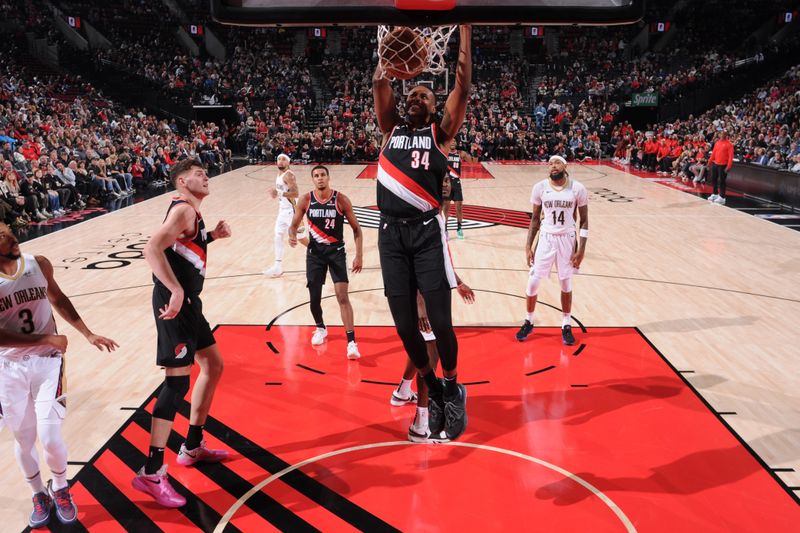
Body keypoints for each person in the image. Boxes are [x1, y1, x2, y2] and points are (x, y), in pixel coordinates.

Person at [372, 25, 472, 441]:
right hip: (391, 236)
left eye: (423, 96)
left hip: (428, 234)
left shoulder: (441, 133)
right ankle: (432, 386)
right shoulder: (389, 127)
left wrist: (465, 31)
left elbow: (463, 85)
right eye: (411, 94)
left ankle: (450, 386)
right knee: (403, 327)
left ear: (434, 109)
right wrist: (387, 53)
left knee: (441, 324)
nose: (415, 98)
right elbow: (380, 82)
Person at [0, 224, 118, 527]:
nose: (14, 238)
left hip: (48, 363)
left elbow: (59, 298)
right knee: (24, 440)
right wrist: (45, 338)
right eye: (5, 237)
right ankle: (38, 493)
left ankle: (61, 487)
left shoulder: (37, 263)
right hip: (9, 369)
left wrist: (88, 333)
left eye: (11, 232)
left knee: (50, 437)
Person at [133, 158, 232, 508]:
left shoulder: (192, 214)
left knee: (214, 365)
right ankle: (152, 471)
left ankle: (191, 445)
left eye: (206, 173)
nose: (206, 176)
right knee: (176, 383)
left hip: (190, 303)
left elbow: (181, 247)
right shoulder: (183, 211)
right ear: (181, 181)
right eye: (198, 173)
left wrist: (211, 237)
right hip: (174, 303)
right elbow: (152, 248)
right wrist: (174, 290)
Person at [288, 165, 364, 360]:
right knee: (314, 298)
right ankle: (321, 328)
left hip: (336, 252)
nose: (320, 178)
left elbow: (357, 229)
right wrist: (292, 236)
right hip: (315, 253)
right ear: (313, 179)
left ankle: (351, 343)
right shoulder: (306, 200)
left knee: (342, 297)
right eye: (316, 176)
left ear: (328, 178)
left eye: (322, 175)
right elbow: (294, 225)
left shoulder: (341, 199)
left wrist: (359, 255)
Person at [517, 155, 588, 346]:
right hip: (546, 238)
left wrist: (581, 249)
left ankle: (566, 324)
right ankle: (529, 320)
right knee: (533, 281)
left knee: (565, 282)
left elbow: (584, 220)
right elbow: (534, 219)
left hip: (567, 238)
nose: (552, 166)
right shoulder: (540, 187)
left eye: (556, 163)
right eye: (549, 164)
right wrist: (528, 246)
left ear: (565, 166)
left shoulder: (577, 188)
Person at [392, 279, 475, 443]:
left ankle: (402, 392)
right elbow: (416, 264)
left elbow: (441, 256)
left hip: (426, 291)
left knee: (420, 346)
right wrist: (422, 308)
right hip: (422, 295)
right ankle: (420, 426)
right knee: (431, 351)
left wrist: (457, 282)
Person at [264, 154, 308, 277]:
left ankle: (323, 257)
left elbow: (296, 193)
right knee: (278, 235)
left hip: (293, 211)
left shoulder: (289, 175)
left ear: (288, 163)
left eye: (284, 159)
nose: (281, 161)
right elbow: (282, 193)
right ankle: (277, 267)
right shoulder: (279, 175)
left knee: (301, 239)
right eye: (279, 159)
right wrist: (276, 194)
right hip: (282, 210)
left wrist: (278, 193)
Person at [442, 139, 465, 239]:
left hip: (456, 182)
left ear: (456, 143)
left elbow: (473, 161)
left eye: (454, 141)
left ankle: (459, 228)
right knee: (446, 208)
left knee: (459, 207)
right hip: (446, 182)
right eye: (450, 141)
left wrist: (475, 152)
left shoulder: (460, 154)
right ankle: (445, 229)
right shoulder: (444, 153)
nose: (452, 142)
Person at [707, 131, 734, 205]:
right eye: (721, 134)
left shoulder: (729, 144)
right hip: (715, 163)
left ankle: (722, 197)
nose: (722, 135)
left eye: (723, 134)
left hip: (723, 165)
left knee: (722, 181)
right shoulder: (717, 142)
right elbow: (713, 154)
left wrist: (728, 166)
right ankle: (715, 194)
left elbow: (731, 157)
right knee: (713, 179)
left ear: (726, 135)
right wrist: (709, 163)